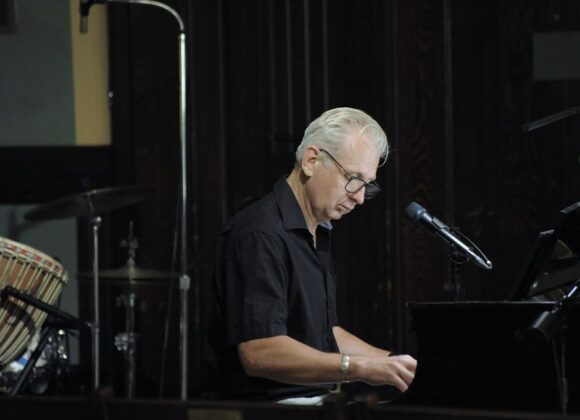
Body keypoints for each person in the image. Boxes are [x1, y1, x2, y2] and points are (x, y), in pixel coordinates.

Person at [207, 107, 417, 402]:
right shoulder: (261, 233)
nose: (359, 197)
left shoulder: (318, 230)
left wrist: (397, 364)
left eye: (367, 185)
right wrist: (360, 368)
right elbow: (259, 352)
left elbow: (326, 334)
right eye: (353, 178)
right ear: (311, 161)